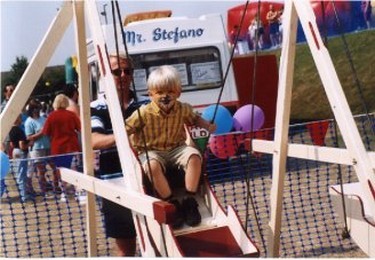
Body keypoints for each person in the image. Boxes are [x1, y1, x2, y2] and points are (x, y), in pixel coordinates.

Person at [125, 65, 216, 228]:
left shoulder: (183, 109)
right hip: (152, 151)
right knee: (152, 166)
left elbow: (194, 119)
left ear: (178, 93)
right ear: (151, 94)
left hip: (176, 148)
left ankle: (189, 199)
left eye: (170, 92)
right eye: (159, 92)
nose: (165, 96)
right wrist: (119, 137)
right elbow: (127, 128)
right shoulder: (143, 113)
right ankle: (171, 202)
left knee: (194, 156)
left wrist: (207, 125)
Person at [90, 53, 149, 256]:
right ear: (105, 74)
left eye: (127, 71)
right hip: (115, 187)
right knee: (126, 250)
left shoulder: (147, 105)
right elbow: (94, 140)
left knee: (159, 244)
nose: (123, 75)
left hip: (147, 182)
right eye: (116, 71)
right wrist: (127, 132)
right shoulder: (96, 108)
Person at [42, 94, 81, 197]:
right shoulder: (72, 115)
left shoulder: (51, 116)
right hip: (72, 146)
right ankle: (78, 192)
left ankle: (64, 193)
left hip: (57, 148)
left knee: (61, 171)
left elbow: (46, 132)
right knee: (74, 169)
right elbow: (79, 128)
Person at [24, 99, 59, 195]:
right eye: (35, 108)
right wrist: (41, 132)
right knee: (41, 171)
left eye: (38, 107)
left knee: (56, 168)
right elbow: (29, 137)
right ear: (32, 109)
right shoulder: (28, 122)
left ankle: (56, 188)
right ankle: (44, 192)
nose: (37, 110)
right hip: (37, 149)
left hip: (48, 146)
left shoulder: (44, 118)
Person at [9, 114, 35, 202]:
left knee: (19, 174)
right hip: (20, 152)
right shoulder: (19, 130)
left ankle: (24, 194)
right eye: (20, 117)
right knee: (22, 175)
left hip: (14, 151)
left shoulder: (10, 130)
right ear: (17, 119)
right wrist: (29, 144)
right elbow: (22, 146)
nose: (21, 119)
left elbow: (11, 144)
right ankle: (24, 197)